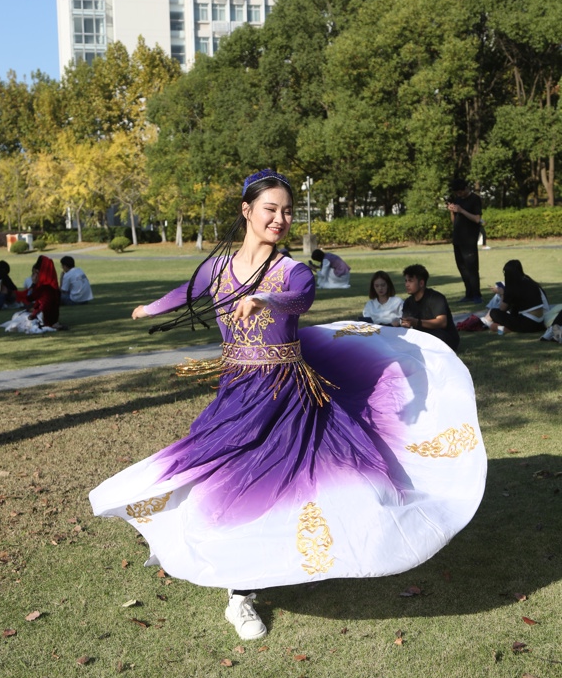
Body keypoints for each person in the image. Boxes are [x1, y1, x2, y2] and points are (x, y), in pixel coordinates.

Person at [90, 170, 485, 643]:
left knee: (313, 483)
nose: (280, 219)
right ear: (247, 210)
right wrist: (152, 308)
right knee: (228, 485)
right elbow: (189, 291)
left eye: (288, 211)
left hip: (290, 396)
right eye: (270, 209)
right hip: (238, 394)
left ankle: (271, 576)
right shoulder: (217, 269)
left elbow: (301, 298)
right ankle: (239, 590)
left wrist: (266, 300)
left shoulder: (291, 270)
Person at [401, 264, 460, 352]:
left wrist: (417, 322)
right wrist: (404, 324)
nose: (407, 284)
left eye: (410, 281)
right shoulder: (408, 302)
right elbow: (406, 323)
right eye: (406, 281)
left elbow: (442, 322)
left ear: (421, 283)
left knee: (436, 336)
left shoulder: (436, 297)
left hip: (444, 336)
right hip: (423, 336)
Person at [1, 256, 61, 334]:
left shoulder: (43, 288)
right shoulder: (52, 287)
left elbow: (30, 298)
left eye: (34, 273)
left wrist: (33, 314)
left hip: (43, 318)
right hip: (52, 318)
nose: (32, 276)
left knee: (17, 316)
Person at [488, 259, 548, 335]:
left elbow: (502, 308)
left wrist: (502, 293)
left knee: (493, 313)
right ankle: (505, 327)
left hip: (528, 324)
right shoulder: (528, 281)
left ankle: (505, 328)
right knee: (514, 308)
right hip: (540, 323)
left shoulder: (512, 287)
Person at [447, 178, 483, 304]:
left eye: (460, 192)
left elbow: (477, 219)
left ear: (466, 188)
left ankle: (477, 295)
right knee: (462, 268)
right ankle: (469, 293)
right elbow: (454, 222)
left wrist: (461, 210)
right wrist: (452, 212)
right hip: (457, 239)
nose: (459, 195)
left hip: (469, 239)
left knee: (472, 268)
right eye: (457, 193)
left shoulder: (475, 199)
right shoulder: (458, 200)